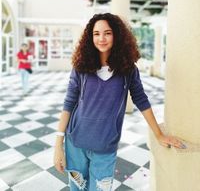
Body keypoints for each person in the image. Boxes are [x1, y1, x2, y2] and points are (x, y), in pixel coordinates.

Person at [54, 13, 186, 191]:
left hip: (106, 145)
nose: (101, 38)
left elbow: (141, 100)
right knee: (77, 189)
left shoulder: (127, 69)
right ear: (90, 37)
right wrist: (58, 145)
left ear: (116, 35)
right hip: (75, 142)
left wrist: (159, 134)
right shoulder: (81, 67)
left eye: (107, 33)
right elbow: (69, 103)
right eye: (96, 34)